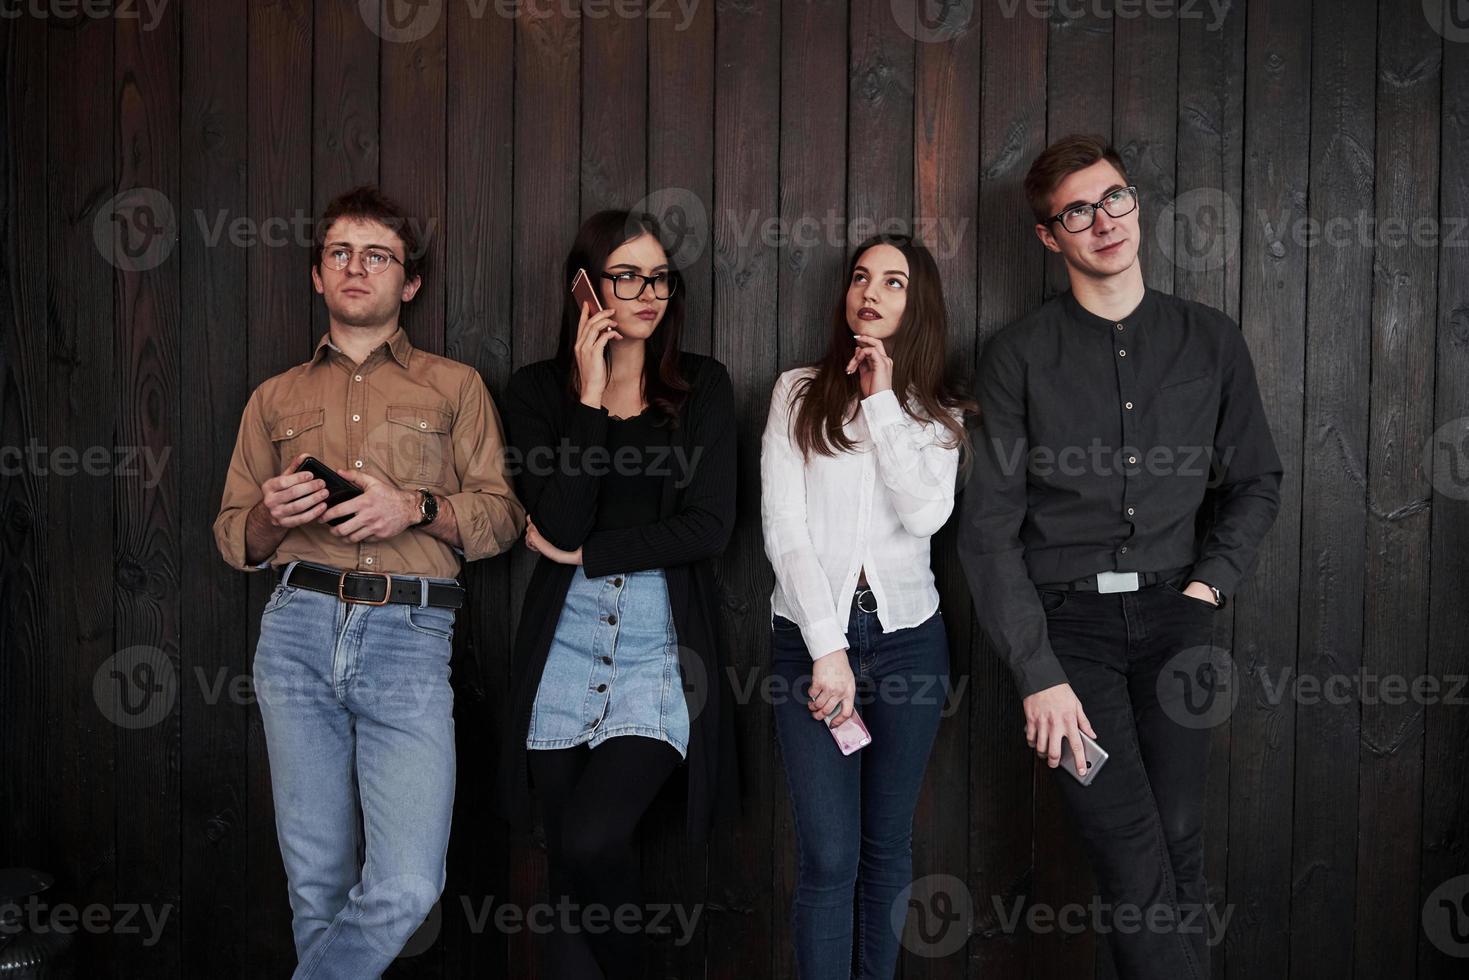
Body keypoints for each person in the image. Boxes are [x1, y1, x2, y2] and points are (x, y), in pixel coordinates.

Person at [957, 134, 1282, 979]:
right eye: (1075, 211)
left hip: (1179, 620)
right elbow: (988, 531)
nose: (1102, 221)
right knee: (1131, 846)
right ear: (1047, 237)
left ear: (1134, 204)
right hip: (1067, 636)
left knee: (1175, 837)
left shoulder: (1210, 340)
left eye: (1113, 199)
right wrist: (1036, 670)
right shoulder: (1015, 357)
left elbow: (1255, 481)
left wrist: (1209, 589)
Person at [212, 185, 524, 978]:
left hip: (409, 637)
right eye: (339, 254)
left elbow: (500, 519)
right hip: (296, 630)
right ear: (317, 275)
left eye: (377, 255)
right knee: (314, 884)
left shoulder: (455, 388)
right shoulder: (271, 399)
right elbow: (232, 536)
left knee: (409, 884)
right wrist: (272, 517)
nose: (357, 268)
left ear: (408, 281)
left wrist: (412, 507)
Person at [497, 210, 739, 979]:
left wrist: (592, 551)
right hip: (562, 650)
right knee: (569, 882)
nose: (647, 292)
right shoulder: (538, 392)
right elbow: (556, 515)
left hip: (657, 649)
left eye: (658, 276)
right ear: (586, 291)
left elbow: (709, 527)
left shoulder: (701, 386)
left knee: (592, 840)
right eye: (626, 276)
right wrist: (593, 399)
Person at [760, 233, 974, 979]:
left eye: (893, 282)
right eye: (860, 277)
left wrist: (882, 401)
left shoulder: (935, 413)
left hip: (910, 643)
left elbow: (923, 518)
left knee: (887, 847)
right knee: (827, 855)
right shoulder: (795, 392)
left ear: (918, 305)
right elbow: (783, 529)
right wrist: (827, 647)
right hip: (810, 647)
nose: (870, 292)